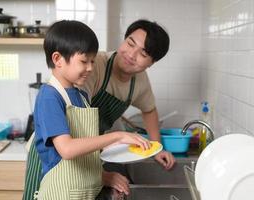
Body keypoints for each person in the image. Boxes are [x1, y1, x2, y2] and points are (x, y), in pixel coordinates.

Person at [31, 20, 150, 200]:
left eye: (93, 61)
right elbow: (67, 149)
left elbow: (87, 150)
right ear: (58, 59)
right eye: (84, 61)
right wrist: (118, 136)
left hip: (85, 192)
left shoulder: (81, 95)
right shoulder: (50, 96)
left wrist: (105, 172)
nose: (90, 68)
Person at [82, 19, 176, 195]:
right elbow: (72, 132)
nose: (131, 55)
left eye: (143, 54)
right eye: (130, 43)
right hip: (59, 154)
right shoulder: (94, 67)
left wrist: (156, 148)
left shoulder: (139, 81)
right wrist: (102, 176)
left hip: (89, 153)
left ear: (151, 63)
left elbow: (149, 110)